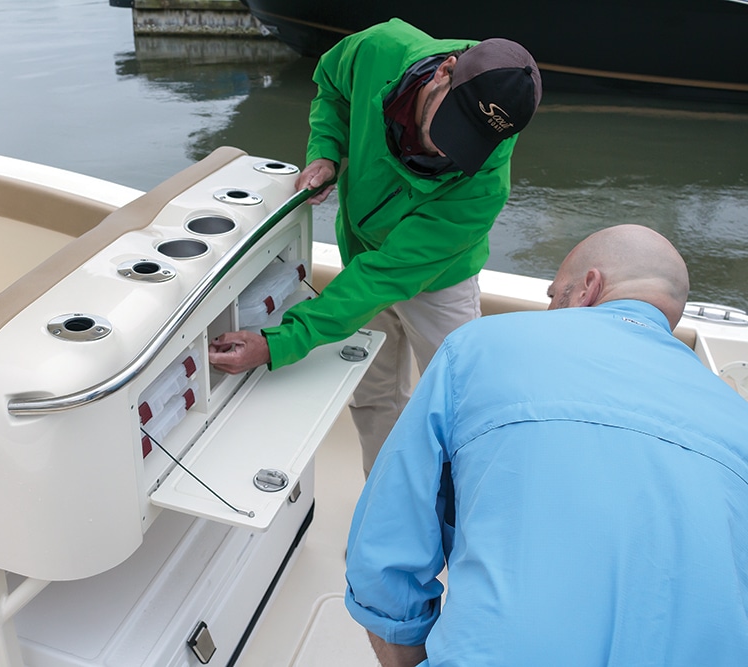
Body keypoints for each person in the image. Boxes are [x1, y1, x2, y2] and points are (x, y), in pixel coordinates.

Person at [344, 224, 748, 666]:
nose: (551, 307)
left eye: (554, 296)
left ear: (587, 289)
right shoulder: (737, 415)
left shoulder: (479, 346)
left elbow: (385, 561)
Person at [208, 19, 543, 476]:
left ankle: (455, 523)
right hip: (363, 255)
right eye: (450, 124)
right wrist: (325, 149)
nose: (443, 148)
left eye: (468, 143)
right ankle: (382, 518)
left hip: (438, 281)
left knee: (463, 408)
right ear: (444, 70)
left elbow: (387, 274)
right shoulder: (379, 48)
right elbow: (332, 86)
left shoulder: (483, 186)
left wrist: (280, 342)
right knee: (373, 396)